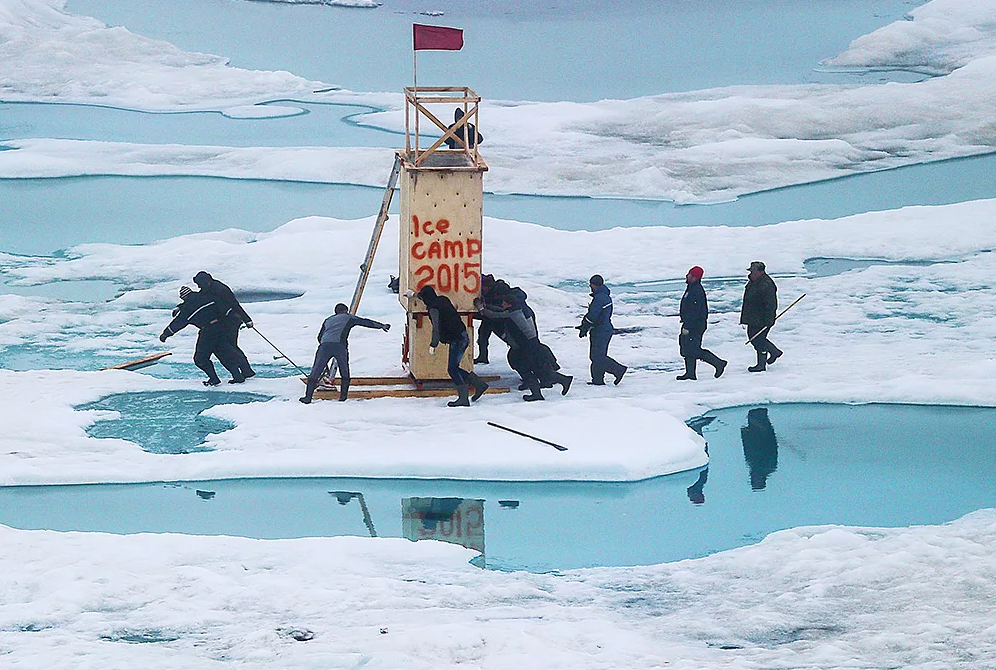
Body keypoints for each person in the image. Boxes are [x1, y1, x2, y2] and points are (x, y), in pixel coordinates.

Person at [475, 288, 572, 401]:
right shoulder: (517, 309)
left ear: (509, 304)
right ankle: (558, 382)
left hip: (527, 347)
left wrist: (480, 307)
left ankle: (547, 388)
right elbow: (499, 311)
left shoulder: (513, 314)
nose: (502, 304)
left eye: (504, 303)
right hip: (528, 345)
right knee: (534, 369)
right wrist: (485, 305)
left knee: (527, 368)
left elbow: (493, 315)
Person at [299, 303, 391, 404]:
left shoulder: (328, 320)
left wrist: (325, 347)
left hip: (324, 346)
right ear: (346, 310)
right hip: (339, 346)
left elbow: (319, 337)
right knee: (344, 371)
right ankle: (343, 398)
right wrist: (382, 326)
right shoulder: (348, 317)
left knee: (315, 371)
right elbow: (365, 322)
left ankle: (307, 398)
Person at [417, 285, 489, 407]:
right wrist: (413, 295)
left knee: (452, 369)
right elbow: (425, 296)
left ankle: (463, 398)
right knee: (454, 368)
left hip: (458, 340)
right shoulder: (443, 299)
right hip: (462, 335)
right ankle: (479, 384)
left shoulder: (433, 309)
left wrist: (433, 344)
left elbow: (436, 329)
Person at [159, 285, 244, 386]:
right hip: (221, 327)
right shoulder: (206, 297)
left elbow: (178, 323)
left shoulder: (188, 308)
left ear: (184, 298)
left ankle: (214, 379)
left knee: (200, 358)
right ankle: (238, 376)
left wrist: (165, 334)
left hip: (208, 331)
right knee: (223, 353)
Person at [192, 271, 255, 380]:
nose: (198, 286)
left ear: (206, 281)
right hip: (223, 322)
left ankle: (245, 371)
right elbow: (198, 299)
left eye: (199, 284)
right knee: (230, 347)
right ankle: (245, 371)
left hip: (232, 321)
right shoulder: (208, 288)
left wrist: (247, 319)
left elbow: (235, 304)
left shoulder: (221, 290)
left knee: (230, 347)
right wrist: (181, 306)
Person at [676, 266, 727, 380]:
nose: (687, 276)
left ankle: (718, 363)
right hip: (690, 324)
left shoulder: (696, 291)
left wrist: (688, 326)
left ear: (695, 277)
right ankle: (690, 373)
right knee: (687, 347)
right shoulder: (691, 288)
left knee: (693, 349)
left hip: (695, 325)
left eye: (689, 274)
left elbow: (695, 312)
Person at [577, 274, 627, 385]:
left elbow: (592, 316)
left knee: (597, 356)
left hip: (601, 330)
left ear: (593, 285)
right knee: (598, 356)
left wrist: (584, 326)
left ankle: (618, 369)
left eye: (590, 285)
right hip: (604, 329)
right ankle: (598, 380)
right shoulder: (604, 296)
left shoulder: (599, 298)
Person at [740, 261, 783, 372]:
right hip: (752, 316)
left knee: (758, 340)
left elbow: (771, 304)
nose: (751, 273)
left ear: (761, 272)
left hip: (762, 318)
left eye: (753, 271)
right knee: (755, 338)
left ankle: (761, 364)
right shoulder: (753, 281)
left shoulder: (767, 284)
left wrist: (769, 319)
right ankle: (774, 351)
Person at [741, 407, 778, 490]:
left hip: (758, 433)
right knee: (758, 416)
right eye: (753, 480)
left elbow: (749, 451)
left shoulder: (759, 467)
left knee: (756, 416)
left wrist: (745, 435)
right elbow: (771, 446)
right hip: (760, 434)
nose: (751, 477)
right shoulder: (767, 466)